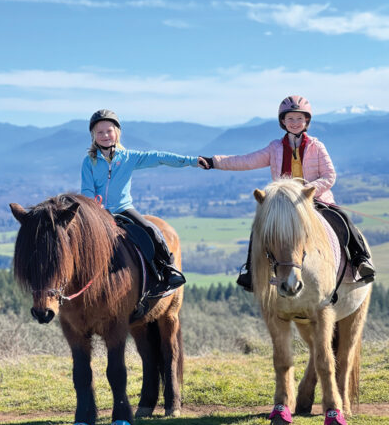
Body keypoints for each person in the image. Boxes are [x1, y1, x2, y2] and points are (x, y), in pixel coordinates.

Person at [199, 95, 375, 290]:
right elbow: (247, 160)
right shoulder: (274, 148)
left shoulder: (317, 147)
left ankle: (360, 259)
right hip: (283, 205)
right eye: (290, 118)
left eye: (299, 118)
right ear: (282, 121)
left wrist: (308, 190)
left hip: (312, 199)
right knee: (258, 228)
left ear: (306, 121)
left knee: (340, 218)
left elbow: (329, 175)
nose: (295, 123)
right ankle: (251, 272)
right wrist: (214, 162)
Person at [81, 109, 208, 292]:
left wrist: (192, 161)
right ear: (93, 136)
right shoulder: (89, 162)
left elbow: (160, 158)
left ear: (117, 132)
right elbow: (87, 190)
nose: (105, 135)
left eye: (109, 131)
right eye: (99, 132)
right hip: (98, 213)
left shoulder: (129, 158)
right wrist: (94, 206)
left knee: (150, 229)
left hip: (123, 209)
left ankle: (167, 270)